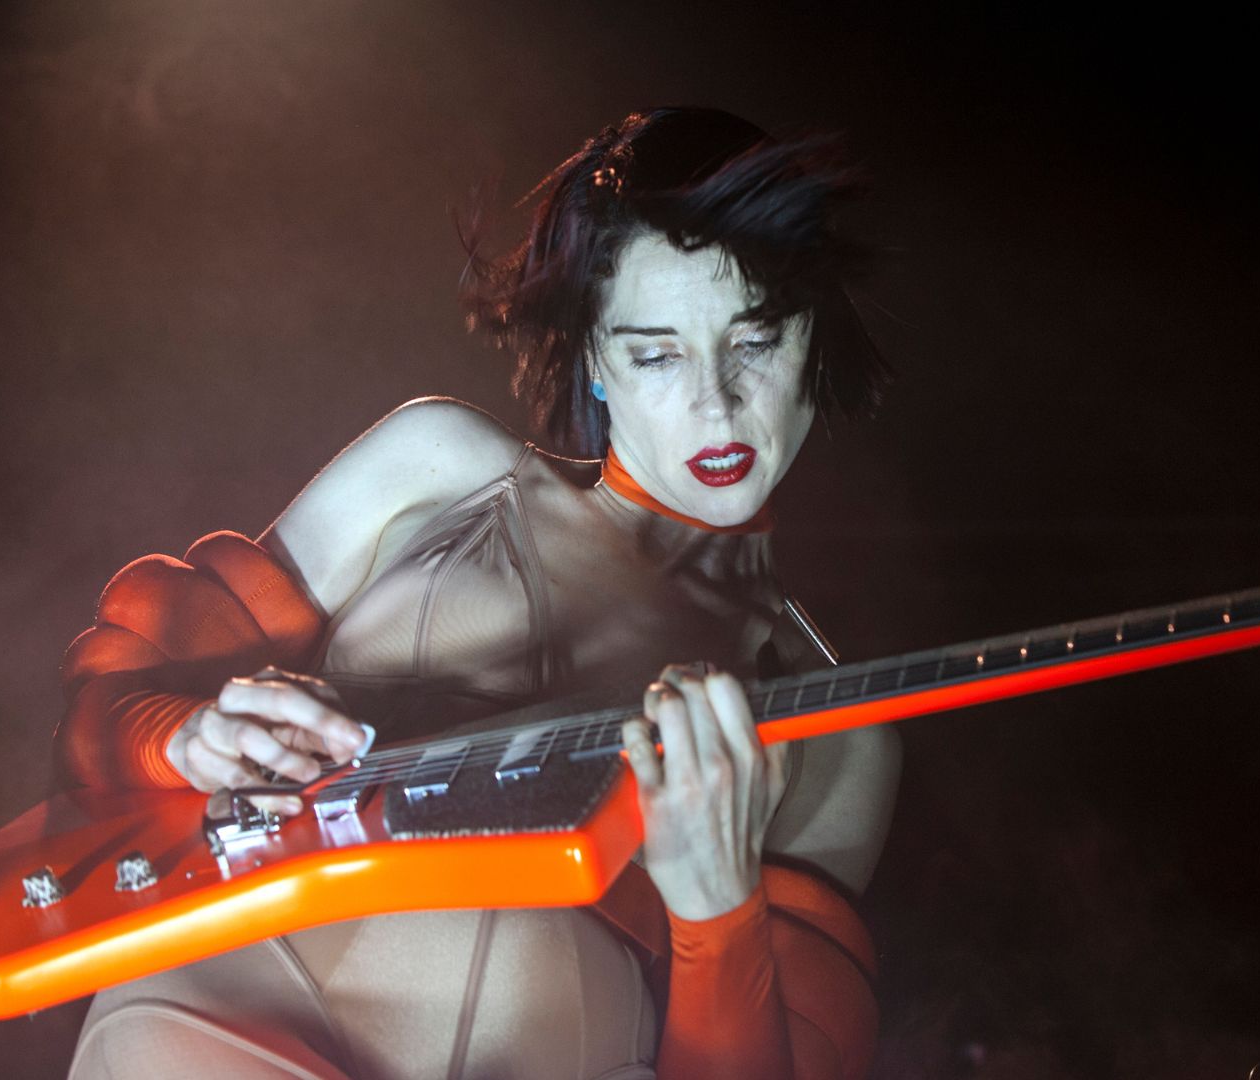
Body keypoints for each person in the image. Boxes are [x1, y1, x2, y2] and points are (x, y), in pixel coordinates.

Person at [54, 106, 902, 1079]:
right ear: (593, 356)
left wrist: (720, 918)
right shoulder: (437, 466)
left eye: (754, 339)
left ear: (815, 337)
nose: (716, 403)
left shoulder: (845, 734)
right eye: (657, 352)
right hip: (207, 1018)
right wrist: (179, 730)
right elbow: (113, 687)